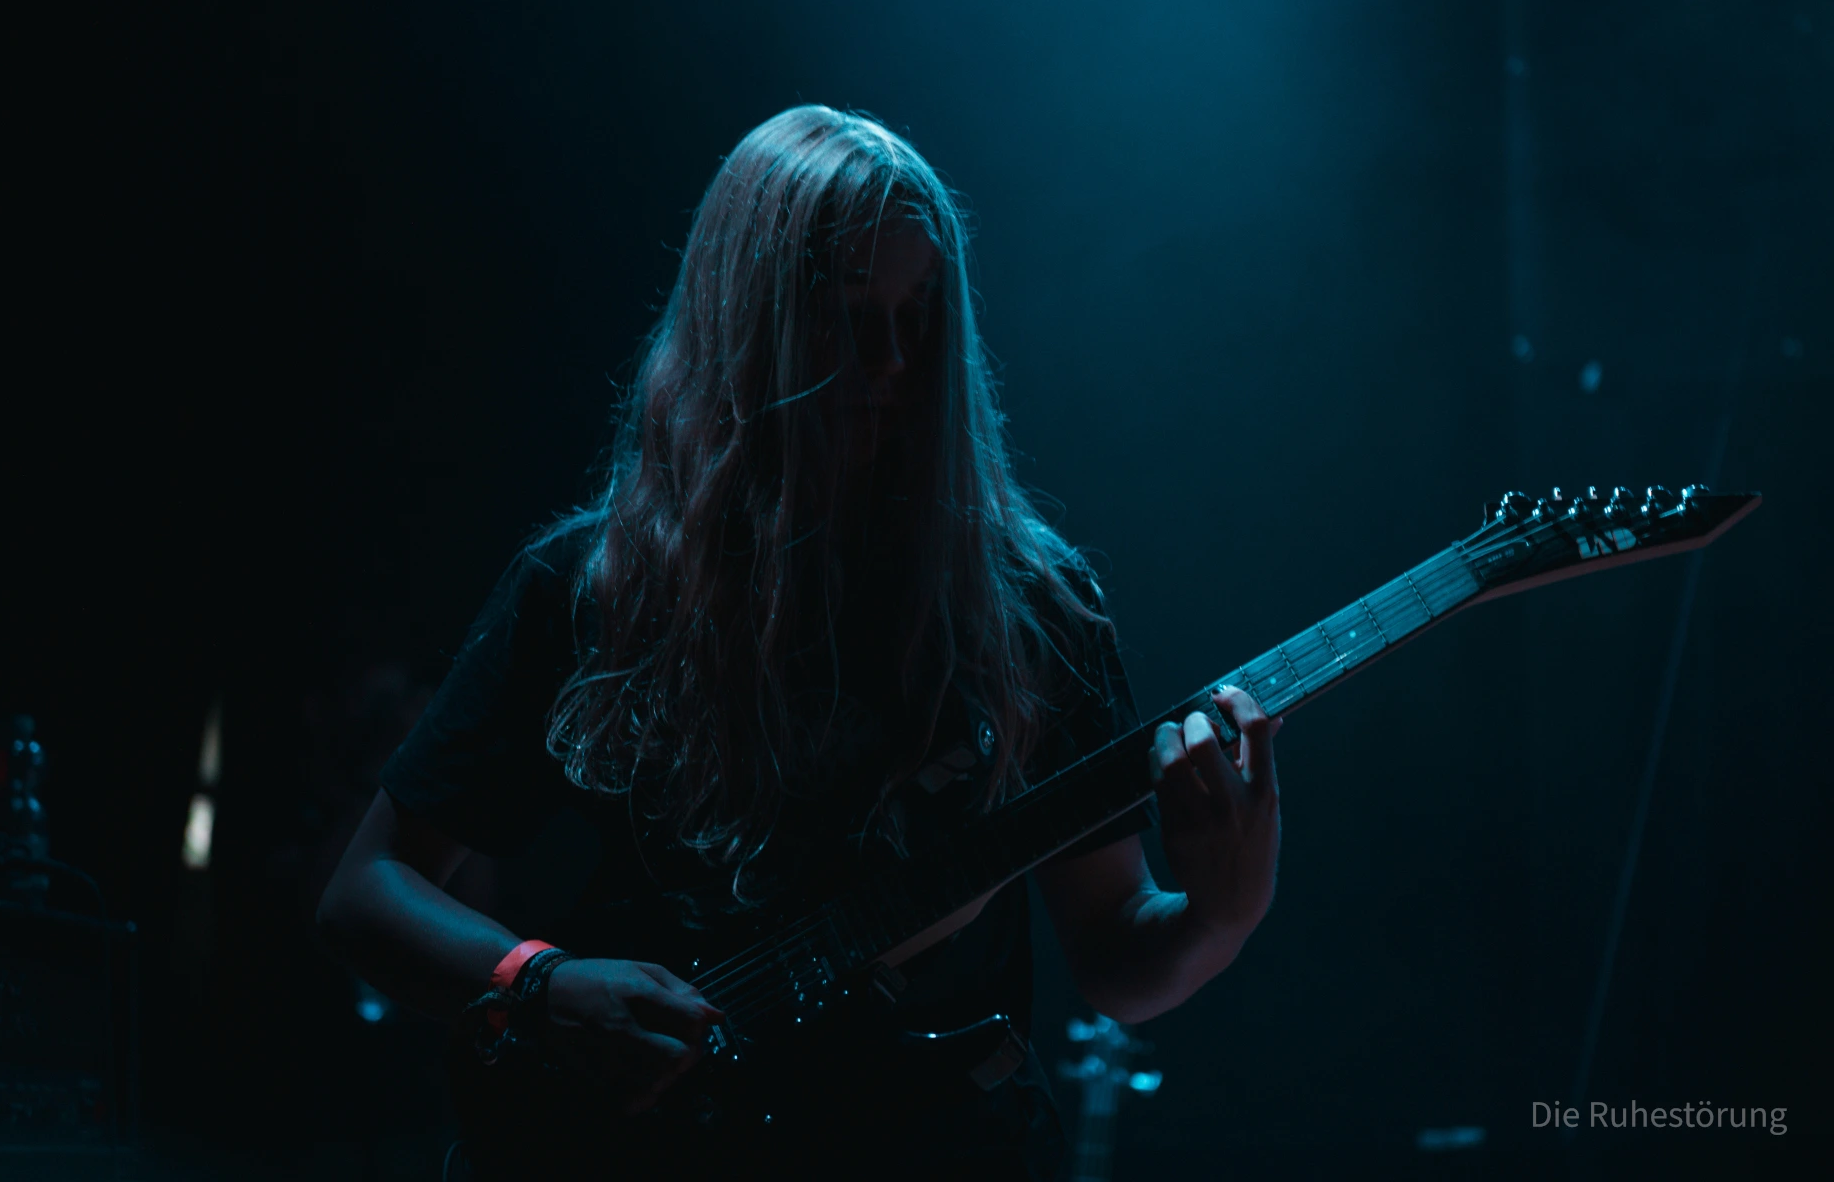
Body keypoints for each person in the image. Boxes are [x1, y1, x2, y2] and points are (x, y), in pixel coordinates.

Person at [317, 105, 1282, 1180]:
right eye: (845, 315)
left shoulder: (1035, 604)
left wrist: (1220, 916)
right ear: (748, 319)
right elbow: (367, 889)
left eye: (920, 315)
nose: (892, 359)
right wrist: (538, 981)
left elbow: (1115, 952)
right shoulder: (592, 584)